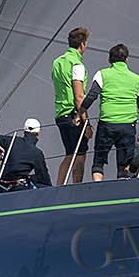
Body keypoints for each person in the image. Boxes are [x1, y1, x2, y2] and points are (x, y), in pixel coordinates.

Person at [80, 43, 139, 181]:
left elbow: (91, 96)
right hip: (128, 126)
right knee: (124, 166)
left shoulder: (102, 74)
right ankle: (120, 194)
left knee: (98, 162)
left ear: (109, 60)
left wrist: (80, 112)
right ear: (126, 60)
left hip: (107, 124)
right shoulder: (137, 79)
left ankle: (97, 188)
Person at [51, 27, 91, 185]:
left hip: (60, 114)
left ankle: (59, 186)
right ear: (82, 44)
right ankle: (77, 188)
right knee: (80, 154)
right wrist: (86, 121)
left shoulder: (57, 62)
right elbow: (79, 95)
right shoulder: (77, 64)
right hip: (74, 114)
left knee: (69, 154)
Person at [0, 119, 53, 189]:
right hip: (19, 187)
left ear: (24, 131)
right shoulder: (37, 153)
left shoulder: (11, 141)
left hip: (2, 185)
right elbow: (43, 176)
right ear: (38, 132)